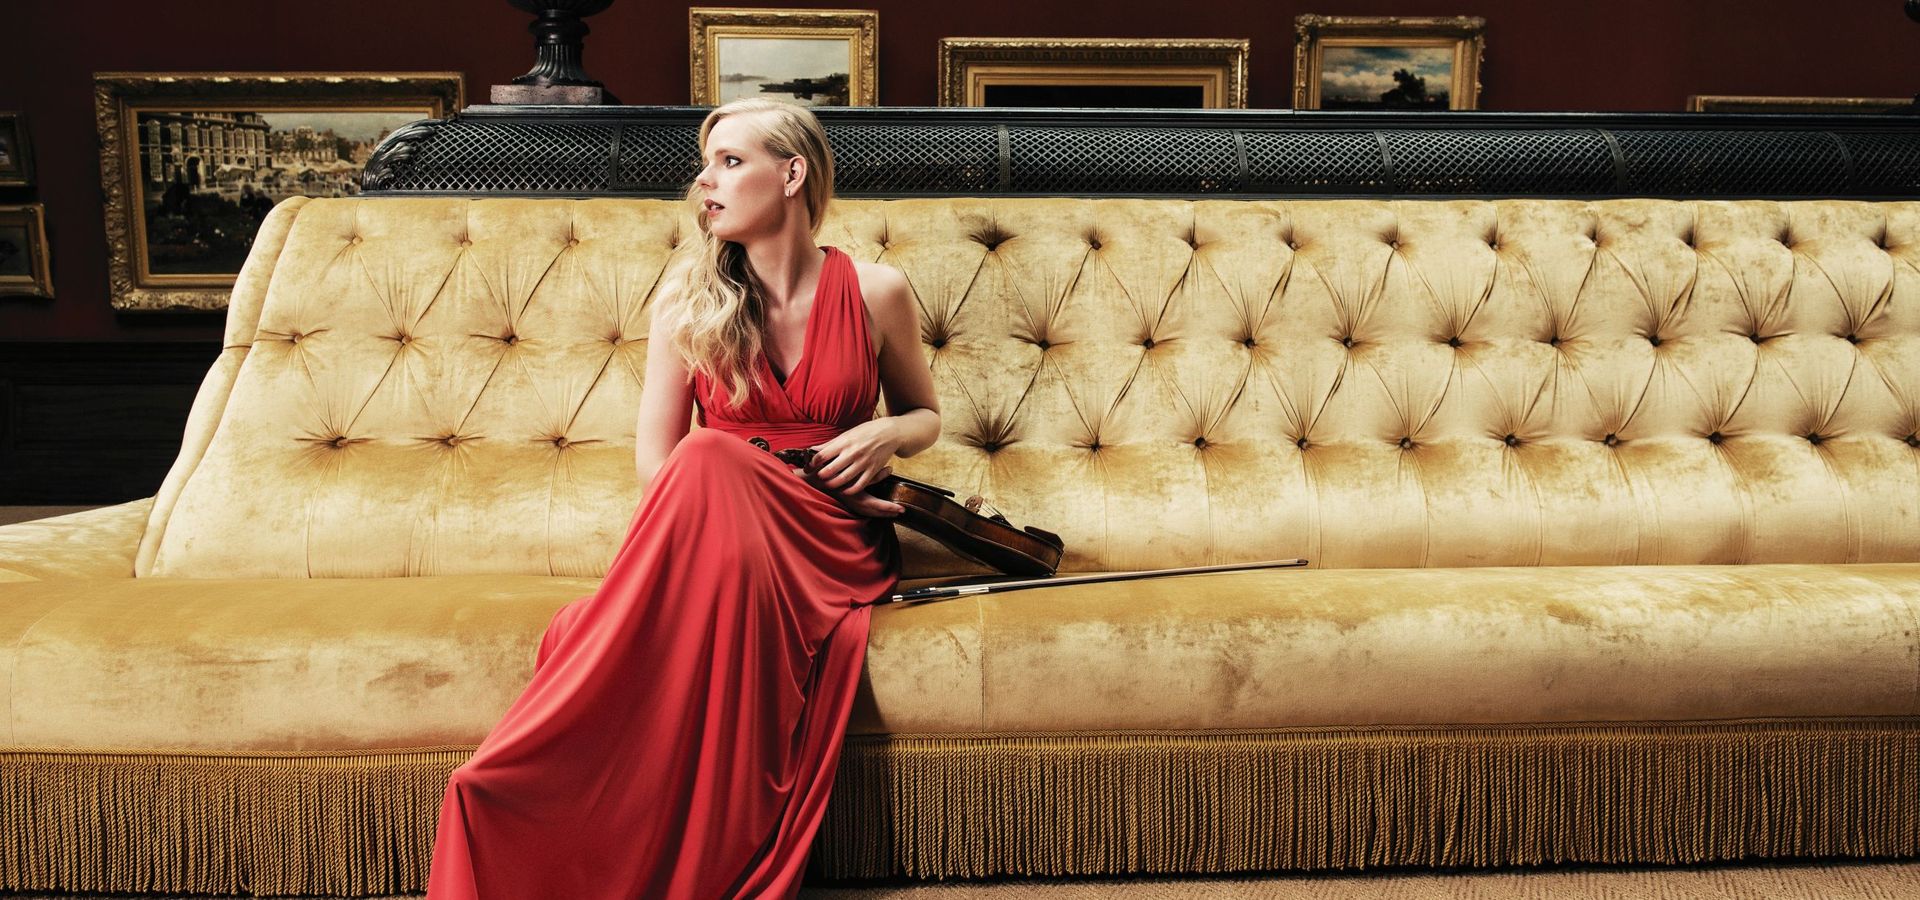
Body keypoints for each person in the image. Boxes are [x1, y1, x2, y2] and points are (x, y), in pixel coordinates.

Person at [424, 97, 941, 899]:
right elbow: (656, 464)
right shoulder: (686, 301)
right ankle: (523, 806)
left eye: (730, 162)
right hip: (721, 536)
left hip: (833, 535)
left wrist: (886, 434)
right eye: (706, 164)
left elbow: (926, 416)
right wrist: (751, 480)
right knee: (703, 458)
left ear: (792, 174)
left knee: (705, 463)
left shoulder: (878, 291)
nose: (705, 181)